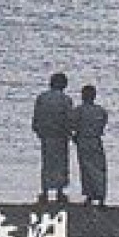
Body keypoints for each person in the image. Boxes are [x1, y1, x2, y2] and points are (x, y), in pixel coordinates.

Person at [32, 72, 74, 205]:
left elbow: (36, 117)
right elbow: (68, 119)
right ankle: (59, 192)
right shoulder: (65, 99)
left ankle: (44, 191)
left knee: (46, 163)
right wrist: (70, 132)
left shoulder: (42, 98)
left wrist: (38, 130)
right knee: (60, 164)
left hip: (46, 134)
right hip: (60, 135)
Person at [71, 84, 110, 207]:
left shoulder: (79, 110)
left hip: (83, 140)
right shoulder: (101, 110)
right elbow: (102, 125)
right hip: (96, 140)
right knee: (99, 168)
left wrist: (74, 136)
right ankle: (101, 196)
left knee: (86, 169)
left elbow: (72, 125)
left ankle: (89, 195)